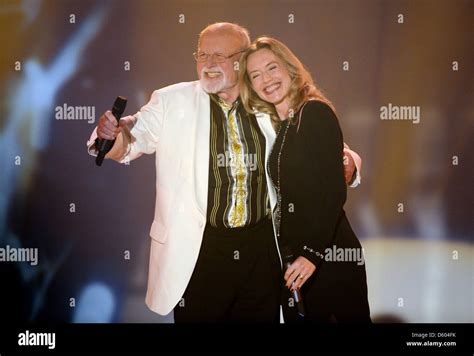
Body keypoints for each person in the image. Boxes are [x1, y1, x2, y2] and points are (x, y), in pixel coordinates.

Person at [86, 23, 362, 322]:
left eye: (219, 55)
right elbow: (129, 141)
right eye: (202, 55)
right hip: (199, 250)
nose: (208, 64)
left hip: (261, 250)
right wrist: (110, 137)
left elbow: (326, 146)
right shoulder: (172, 101)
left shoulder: (266, 99)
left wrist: (349, 164)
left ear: (241, 60)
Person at [239, 37, 371, 323]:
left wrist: (311, 254)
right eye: (256, 75)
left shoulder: (314, 112)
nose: (267, 79)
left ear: (290, 69)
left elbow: (332, 192)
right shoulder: (285, 123)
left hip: (329, 257)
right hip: (297, 264)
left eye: (272, 68)